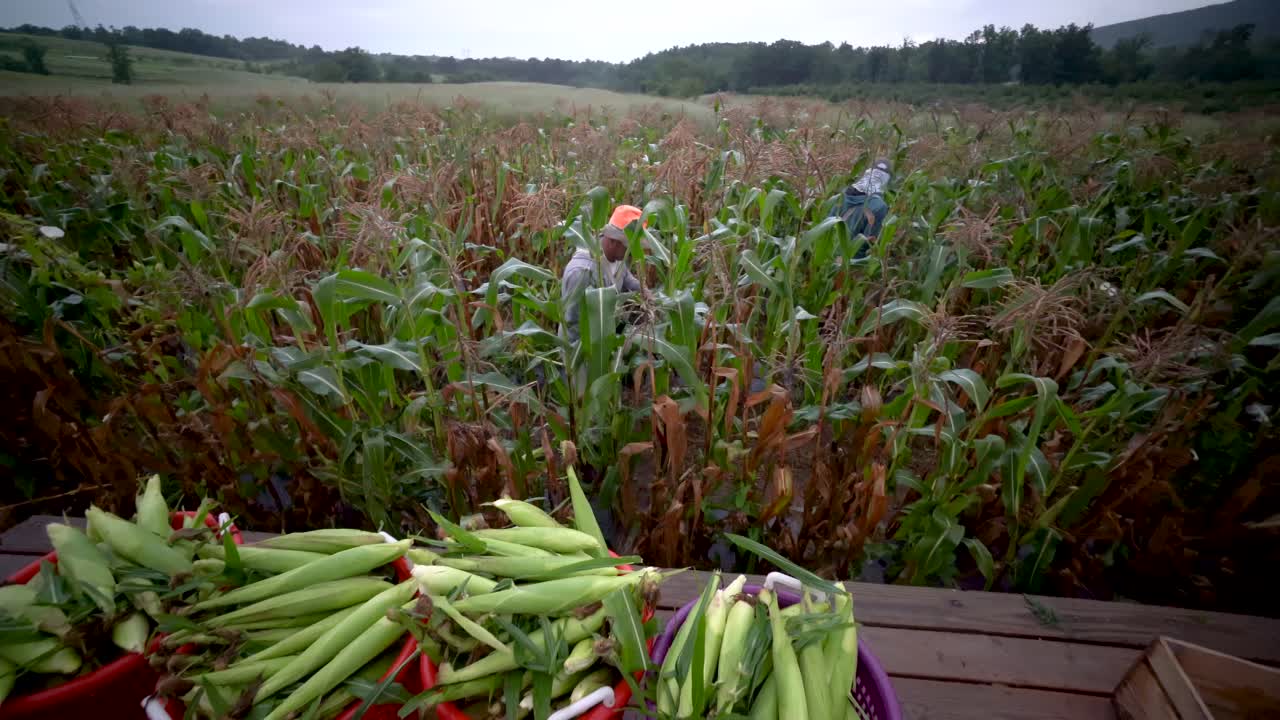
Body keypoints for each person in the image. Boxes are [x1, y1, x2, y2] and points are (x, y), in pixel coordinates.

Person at [559, 204, 646, 344]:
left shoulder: (618, 258)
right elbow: (574, 326)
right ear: (613, 241)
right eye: (630, 247)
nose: (632, 252)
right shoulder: (582, 272)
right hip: (583, 350)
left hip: (607, 336)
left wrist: (647, 296)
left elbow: (628, 281)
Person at [834, 159, 892, 259]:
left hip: (826, 254)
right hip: (849, 260)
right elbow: (868, 242)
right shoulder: (879, 206)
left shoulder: (842, 194)